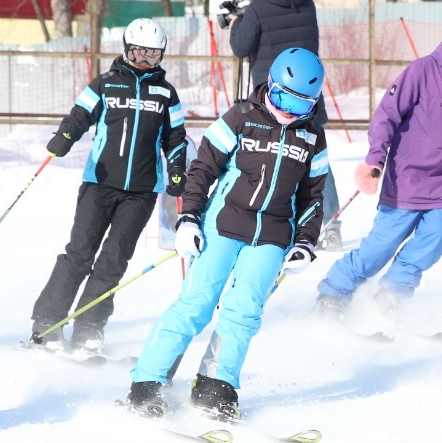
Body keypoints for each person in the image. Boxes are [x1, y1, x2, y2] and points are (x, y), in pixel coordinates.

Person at [125, 47, 329, 421]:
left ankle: (215, 387)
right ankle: (147, 382)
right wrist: (188, 218)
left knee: (244, 313)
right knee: (196, 305)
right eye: (282, 97)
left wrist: (305, 241)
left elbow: (313, 196)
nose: (287, 109)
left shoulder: (313, 138)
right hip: (223, 224)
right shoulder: (241, 117)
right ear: (270, 85)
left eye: (300, 105)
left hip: (272, 235)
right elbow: (202, 168)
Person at [313, 7, 442, 320]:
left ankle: (392, 296)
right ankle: (335, 292)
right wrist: (375, 158)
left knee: (430, 243)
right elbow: (387, 115)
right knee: (379, 248)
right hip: (407, 177)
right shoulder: (423, 70)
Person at [30, 18, 188, 355]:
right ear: (127, 50)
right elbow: (79, 115)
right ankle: (47, 322)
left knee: (113, 261)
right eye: (139, 53)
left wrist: (177, 170)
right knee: (79, 253)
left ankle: (89, 327)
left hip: (142, 192)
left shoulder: (166, 94)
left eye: (153, 56)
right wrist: (65, 137)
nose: (145, 61)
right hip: (99, 184)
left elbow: (176, 138)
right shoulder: (104, 84)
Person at [227, 0, 344, 251]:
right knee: (316, 163)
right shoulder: (307, 4)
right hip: (307, 96)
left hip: (274, 99)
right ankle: (331, 227)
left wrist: (235, 23)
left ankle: (270, 223)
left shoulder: (256, 8)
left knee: (272, 157)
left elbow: (240, 47)